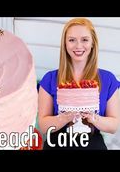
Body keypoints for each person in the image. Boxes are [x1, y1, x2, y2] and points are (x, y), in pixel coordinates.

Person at [38, 18, 120, 150]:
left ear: (93, 43)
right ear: (65, 44)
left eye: (84, 39)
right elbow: (43, 125)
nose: (78, 46)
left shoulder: (108, 79)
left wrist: (93, 118)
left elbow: (113, 126)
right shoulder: (50, 79)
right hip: (58, 143)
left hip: (93, 144)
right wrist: (64, 118)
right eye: (72, 40)